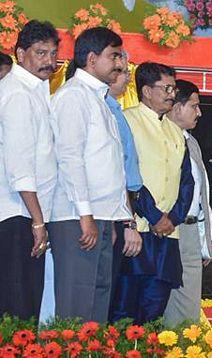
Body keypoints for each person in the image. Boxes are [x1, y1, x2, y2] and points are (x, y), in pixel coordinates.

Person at [49, 27, 130, 323]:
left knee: (97, 303)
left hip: (101, 216)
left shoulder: (99, 99)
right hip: (77, 216)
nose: (120, 64)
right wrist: (86, 216)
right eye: (114, 56)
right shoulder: (73, 97)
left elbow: (108, 165)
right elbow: (70, 160)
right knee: (77, 305)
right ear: (92, 59)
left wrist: (113, 219)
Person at [111, 62, 194, 324]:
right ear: (147, 91)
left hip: (168, 236)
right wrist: (156, 216)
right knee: (124, 313)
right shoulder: (127, 120)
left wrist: (173, 218)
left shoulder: (175, 131)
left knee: (153, 314)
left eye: (174, 88)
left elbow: (187, 181)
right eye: (166, 88)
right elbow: (127, 175)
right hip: (139, 230)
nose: (172, 93)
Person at [0, 20, 58, 319]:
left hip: (27, 214)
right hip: (17, 215)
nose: (49, 61)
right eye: (40, 53)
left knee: (25, 309)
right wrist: (38, 222)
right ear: (20, 54)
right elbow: (19, 166)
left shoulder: (36, 90)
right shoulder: (19, 94)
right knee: (17, 310)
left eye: (52, 53)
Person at [163, 80, 212, 326]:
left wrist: (208, 237)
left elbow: (202, 195)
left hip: (191, 230)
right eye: (194, 106)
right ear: (176, 107)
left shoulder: (190, 141)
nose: (199, 112)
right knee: (168, 304)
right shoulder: (161, 137)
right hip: (168, 228)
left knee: (189, 308)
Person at [104, 60, 145, 317]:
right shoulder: (105, 111)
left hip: (122, 207)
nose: (127, 79)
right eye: (122, 72)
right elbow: (114, 172)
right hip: (114, 211)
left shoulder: (116, 109)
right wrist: (128, 223)